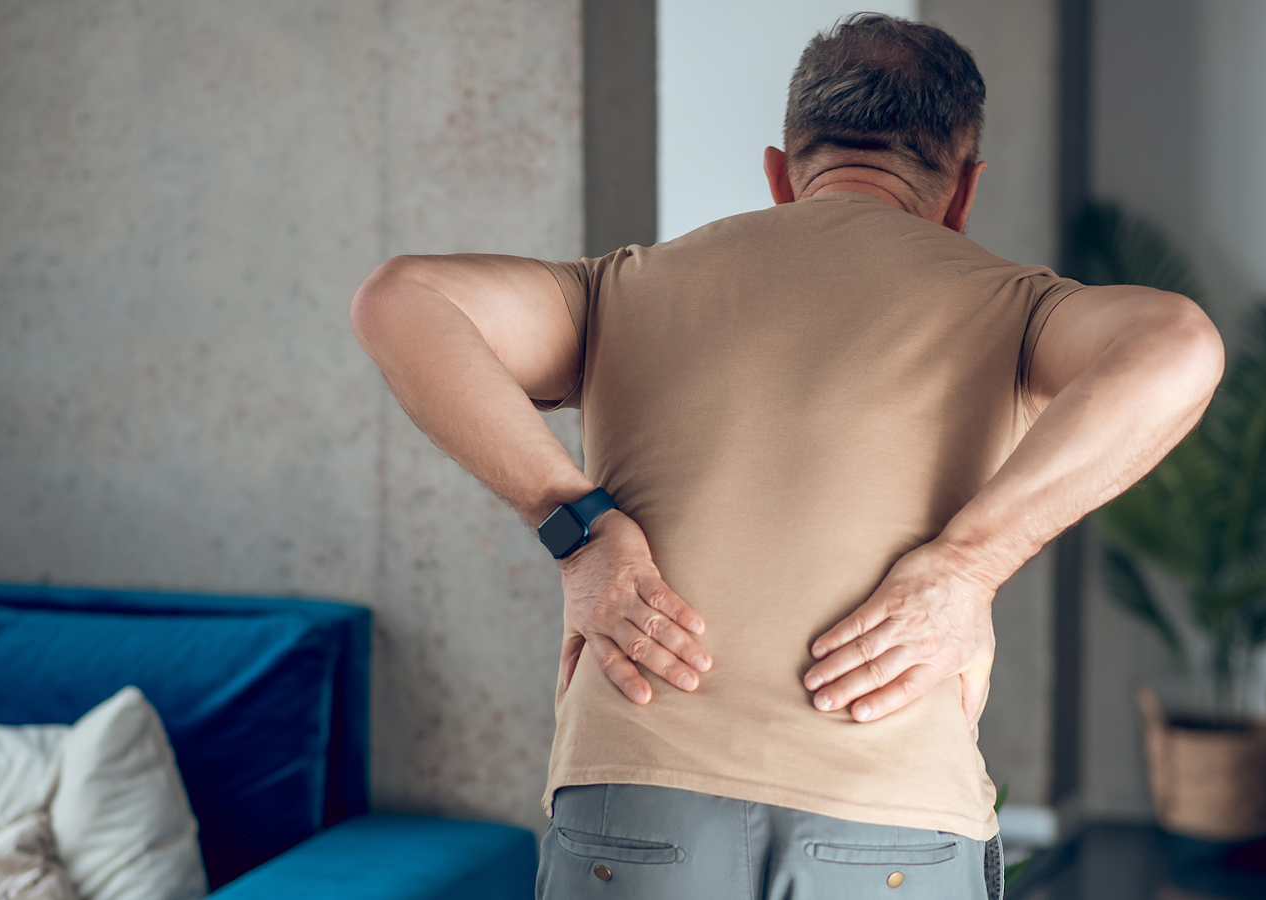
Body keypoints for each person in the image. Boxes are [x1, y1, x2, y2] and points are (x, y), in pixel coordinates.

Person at [351, 13, 1222, 900]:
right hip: (887, 809)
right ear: (965, 191)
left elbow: (399, 300)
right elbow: (1180, 343)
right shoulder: (1016, 309)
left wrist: (580, 531)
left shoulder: (618, 288)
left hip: (637, 796)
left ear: (779, 174)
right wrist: (967, 569)